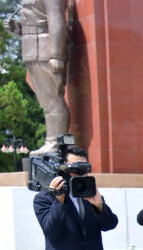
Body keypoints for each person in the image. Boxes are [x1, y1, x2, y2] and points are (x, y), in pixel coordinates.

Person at [5, 0, 70, 156]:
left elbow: (56, 22)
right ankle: (51, 141)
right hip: (32, 49)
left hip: (45, 51)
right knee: (46, 102)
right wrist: (19, 29)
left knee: (53, 98)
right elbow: (36, 23)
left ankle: (54, 143)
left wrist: (56, 54)